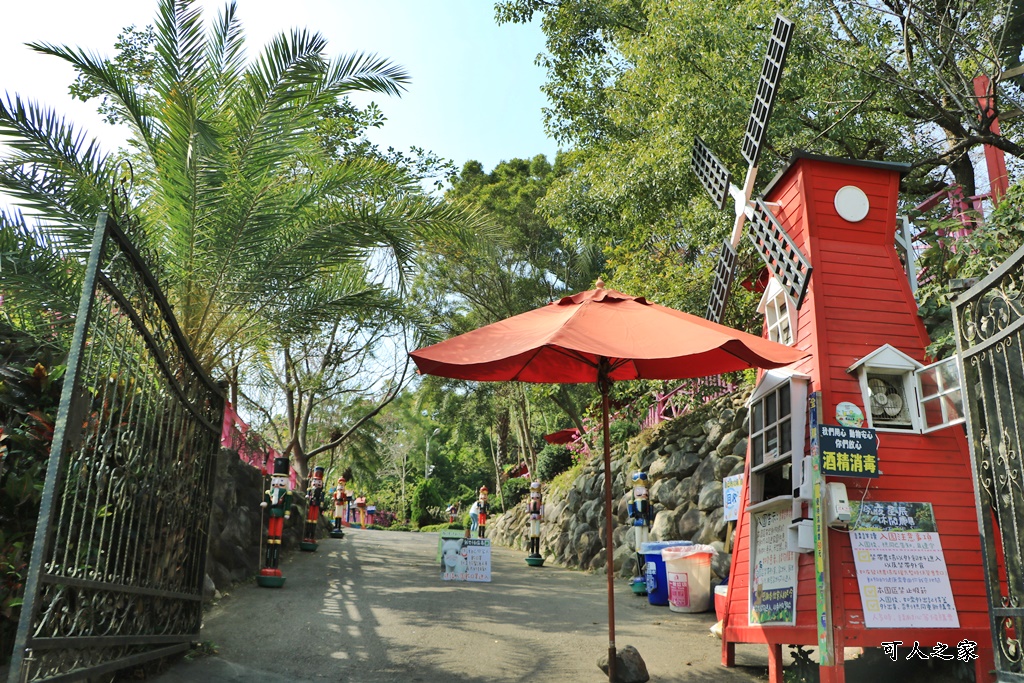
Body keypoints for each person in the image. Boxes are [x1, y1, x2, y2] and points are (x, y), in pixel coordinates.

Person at [258, 456, 291, 585]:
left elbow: (287, 505)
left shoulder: (286, 494)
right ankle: (267, 564)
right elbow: (266, 501)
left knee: (277, 539)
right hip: (272, 514)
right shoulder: (269, 492)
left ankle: (274, 564)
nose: (278, 482)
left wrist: (287, 513)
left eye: (281, 479)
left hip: (280, 516)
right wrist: (264, 504)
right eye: (276, 479)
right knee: (269, 539)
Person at [627, 471, 655, 579]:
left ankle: (646, 567)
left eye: (644, 489)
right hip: (638, 522)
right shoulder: (632, 503)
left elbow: (651, 514)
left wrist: (651, 523)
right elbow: (631, 514)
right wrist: (632, 514)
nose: (643, 492)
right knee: (638, 545)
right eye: (639, 490)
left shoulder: (649, 503)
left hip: (645, 522)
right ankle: (639, 569)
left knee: (646, 543)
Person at [302, 466, 325, 550]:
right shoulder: (310, 489)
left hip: (316, 505)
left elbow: (322, 499)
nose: (316, 483)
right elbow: (308, 494)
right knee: (309, 520)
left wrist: (321, 504)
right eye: (315, 481)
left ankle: (312, 536)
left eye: (319, 481)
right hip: (311, 504)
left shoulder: (321, 492)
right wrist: (308, 495)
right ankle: (307, 535)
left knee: (314, 520)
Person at [525, 481, 543, 558]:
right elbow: (527, 510)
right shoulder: (530, 502)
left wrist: (541, 515)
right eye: (533, 493)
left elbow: (542, 511)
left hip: (537, 516)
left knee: (537, 534)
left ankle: (537, 551)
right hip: (532, 516)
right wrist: (527, 507)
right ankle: (532, 551)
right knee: (532, 534)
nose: (535, 496)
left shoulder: (540, 503)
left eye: (537, 493)